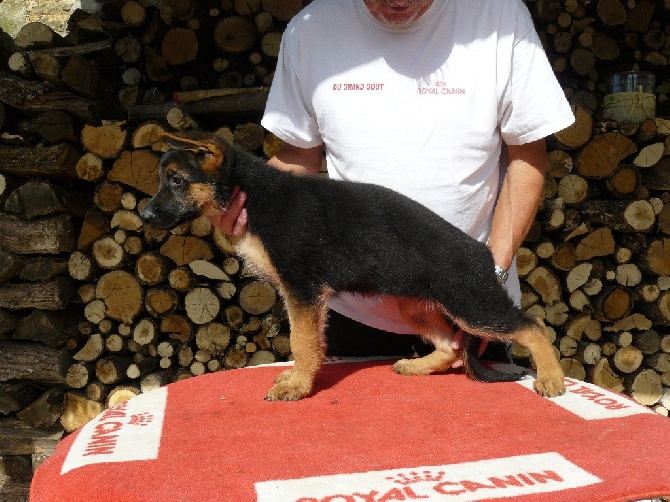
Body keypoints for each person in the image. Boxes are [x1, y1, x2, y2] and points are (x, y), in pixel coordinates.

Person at [209, 0, 575, 366]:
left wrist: (487, 278)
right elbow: (300, 155)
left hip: (461, 286)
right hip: (354, 306)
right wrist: (239, 201)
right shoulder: (311, 28)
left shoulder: (500, 18)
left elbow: (527, 158)